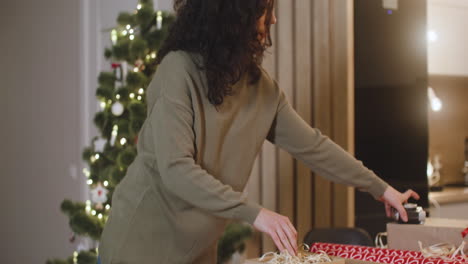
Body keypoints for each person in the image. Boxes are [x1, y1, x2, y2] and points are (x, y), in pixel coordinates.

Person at [98, 0, 420, 263]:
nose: (274, 19)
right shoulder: (178, 70)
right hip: (137, 251)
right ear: (237, 14)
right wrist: (255, 214)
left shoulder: (261, 88)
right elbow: (176, 169)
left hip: (197, 254)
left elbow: (315, 147)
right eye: (265, 9)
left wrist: (380, 188)